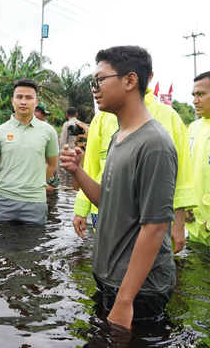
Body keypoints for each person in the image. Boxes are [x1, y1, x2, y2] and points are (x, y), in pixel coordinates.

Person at [61, 45, 177, 330]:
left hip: (140, 291)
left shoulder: (155, 145)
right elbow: (110, 202)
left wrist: (125, 301)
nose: (94, 88)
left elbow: (155, 227)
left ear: (130, 80)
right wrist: (77, 171)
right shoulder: (119, 136)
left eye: (100, 80)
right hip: (111, 278)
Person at [72, 80, 197, 254]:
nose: (96, 87)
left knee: (151, 265)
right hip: (105, 210)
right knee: (108, 263)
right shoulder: (102, 118)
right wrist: (80, 210)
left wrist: (179, 220)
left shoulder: (169, 117)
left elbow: (181, 172)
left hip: (153, 215)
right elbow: (92, 168)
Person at [0, 79, 59, 225]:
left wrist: (36, 184)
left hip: (36, 203)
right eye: (19, 97)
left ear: (36, 102)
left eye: (29, 98)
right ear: (13, 101)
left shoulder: (48, 132)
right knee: (2, 245)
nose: (23, 102)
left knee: (33, 245)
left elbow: (52, 164)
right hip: (5, 201)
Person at [186, 71, 210, 247]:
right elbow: (184, 172)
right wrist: (183, 205)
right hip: (195, 229)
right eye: (194, 95)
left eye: (201, 94)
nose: (195, 100)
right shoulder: (192, 129)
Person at [34, 100, 59, 189]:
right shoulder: (32, 129)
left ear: (44, 114)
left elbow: (53, 160)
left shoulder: (49, 131)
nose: (33, 114)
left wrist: (48, 180)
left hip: (47, 176)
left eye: (36, 111)